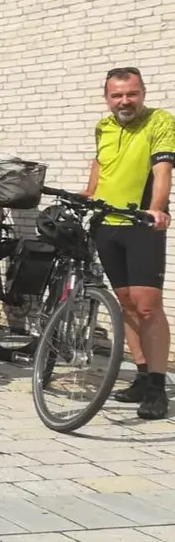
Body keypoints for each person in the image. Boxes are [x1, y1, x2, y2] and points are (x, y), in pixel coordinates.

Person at [83, 67, 173, 420]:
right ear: (107, 98)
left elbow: (162, 169)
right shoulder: (103, 126)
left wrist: (157, 209)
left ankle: (157, 385)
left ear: (143, 93)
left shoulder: (160, 121)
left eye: (131, 94)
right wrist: (89, 192)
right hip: (107, 224)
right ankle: (139, 375)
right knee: (126, 303)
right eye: (117, 95)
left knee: (148, 305)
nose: (125, 101)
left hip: (140, 224)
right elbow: (100, 163)